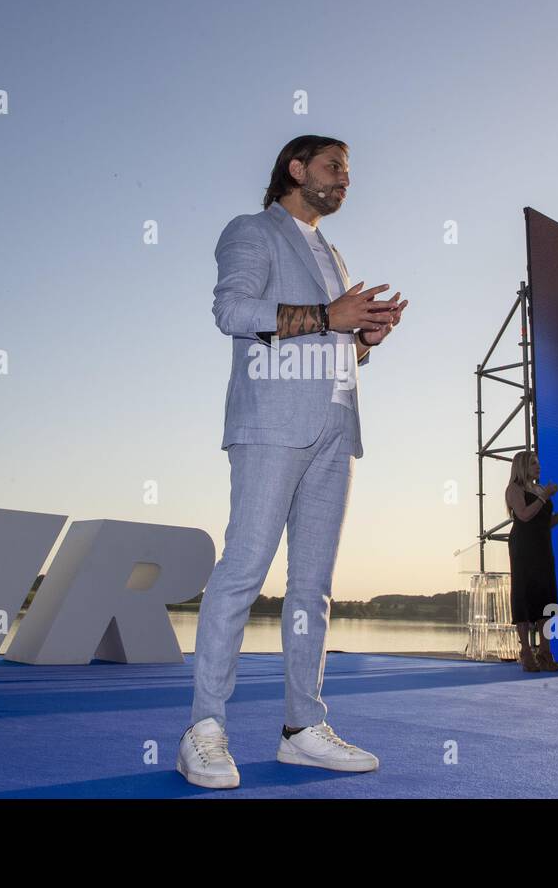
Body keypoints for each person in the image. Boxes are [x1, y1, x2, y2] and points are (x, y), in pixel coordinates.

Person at [178, 135, 409, 789]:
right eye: (335, 166)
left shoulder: (332, 253)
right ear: (297, 168)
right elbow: (233, 311)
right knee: (242, 573)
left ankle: (301, 730)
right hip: (272, 426)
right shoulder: (252, 231)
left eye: (349, 171)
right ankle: (203, 730)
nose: (345, 179)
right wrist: (326, 314)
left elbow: (329, 339)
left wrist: (363, 340)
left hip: (337, 430)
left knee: (312, 590)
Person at [505, 450, 558, 672]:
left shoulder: (538, 489)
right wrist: (544, 496)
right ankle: (526, 652)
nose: (539, 466)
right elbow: (524, 515)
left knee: (545, 597)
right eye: (534, 463)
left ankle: (545, 652)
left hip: (543, 547)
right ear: (523, 466)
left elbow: (547, 523)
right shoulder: (514, 489)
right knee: (524, 595)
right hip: (523, 547)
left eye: (539, 463)